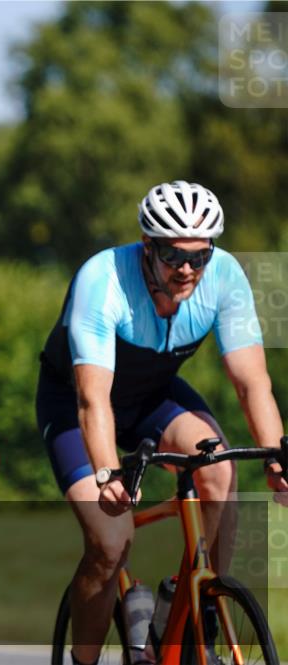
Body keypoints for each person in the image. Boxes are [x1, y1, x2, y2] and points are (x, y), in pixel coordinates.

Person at [36, 180, 287, 665]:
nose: (188, 269)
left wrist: (277, 455)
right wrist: (109, 472)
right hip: (75, 405)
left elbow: (252, 383)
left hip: (153, 398)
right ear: (147, 246)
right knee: (111, 542)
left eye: (200, 255)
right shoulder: (103, 278)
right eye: (173, 255)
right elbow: (93, 399)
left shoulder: (225, 277)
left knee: (219, 470)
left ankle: (194, 609)